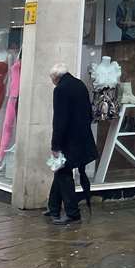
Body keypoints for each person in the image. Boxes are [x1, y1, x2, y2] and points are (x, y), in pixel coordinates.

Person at [47, 63, 97, 225]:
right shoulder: (79, 84)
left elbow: (59, 120)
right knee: (60, 170)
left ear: (56, 77)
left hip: (68, 139)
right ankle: (53, 207)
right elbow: (89, 112)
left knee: (63, 173)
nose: (52, 82)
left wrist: (55, 145)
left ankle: (72, 213)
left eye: (52, 79)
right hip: (82, 136)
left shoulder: (60, 89)